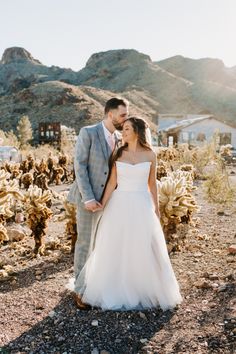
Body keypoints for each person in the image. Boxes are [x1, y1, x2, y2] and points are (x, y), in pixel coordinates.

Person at [72, 117, 183, 311]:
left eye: (127, 129)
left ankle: (142, 288)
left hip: (141, 203)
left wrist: (156, 209)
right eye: (123, 129)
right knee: (116, 245)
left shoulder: (150, 155)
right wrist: (102, 204)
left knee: (141, 246)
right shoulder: (118, 153)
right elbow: (112, 182)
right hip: (119, 204)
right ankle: (114, 286)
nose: (123, 132)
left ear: (137, 132)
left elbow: (152, 184)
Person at [67, 97, 129, 309]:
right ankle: (80, 291)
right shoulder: (89, 132)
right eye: (122, 115)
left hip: (109, 200)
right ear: (110, 114)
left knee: (100, 243)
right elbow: (80, 166)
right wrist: (89, 198)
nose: (125, 119)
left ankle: (94, 283)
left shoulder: (120, 138)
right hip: (89, 199)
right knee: (85, 243)